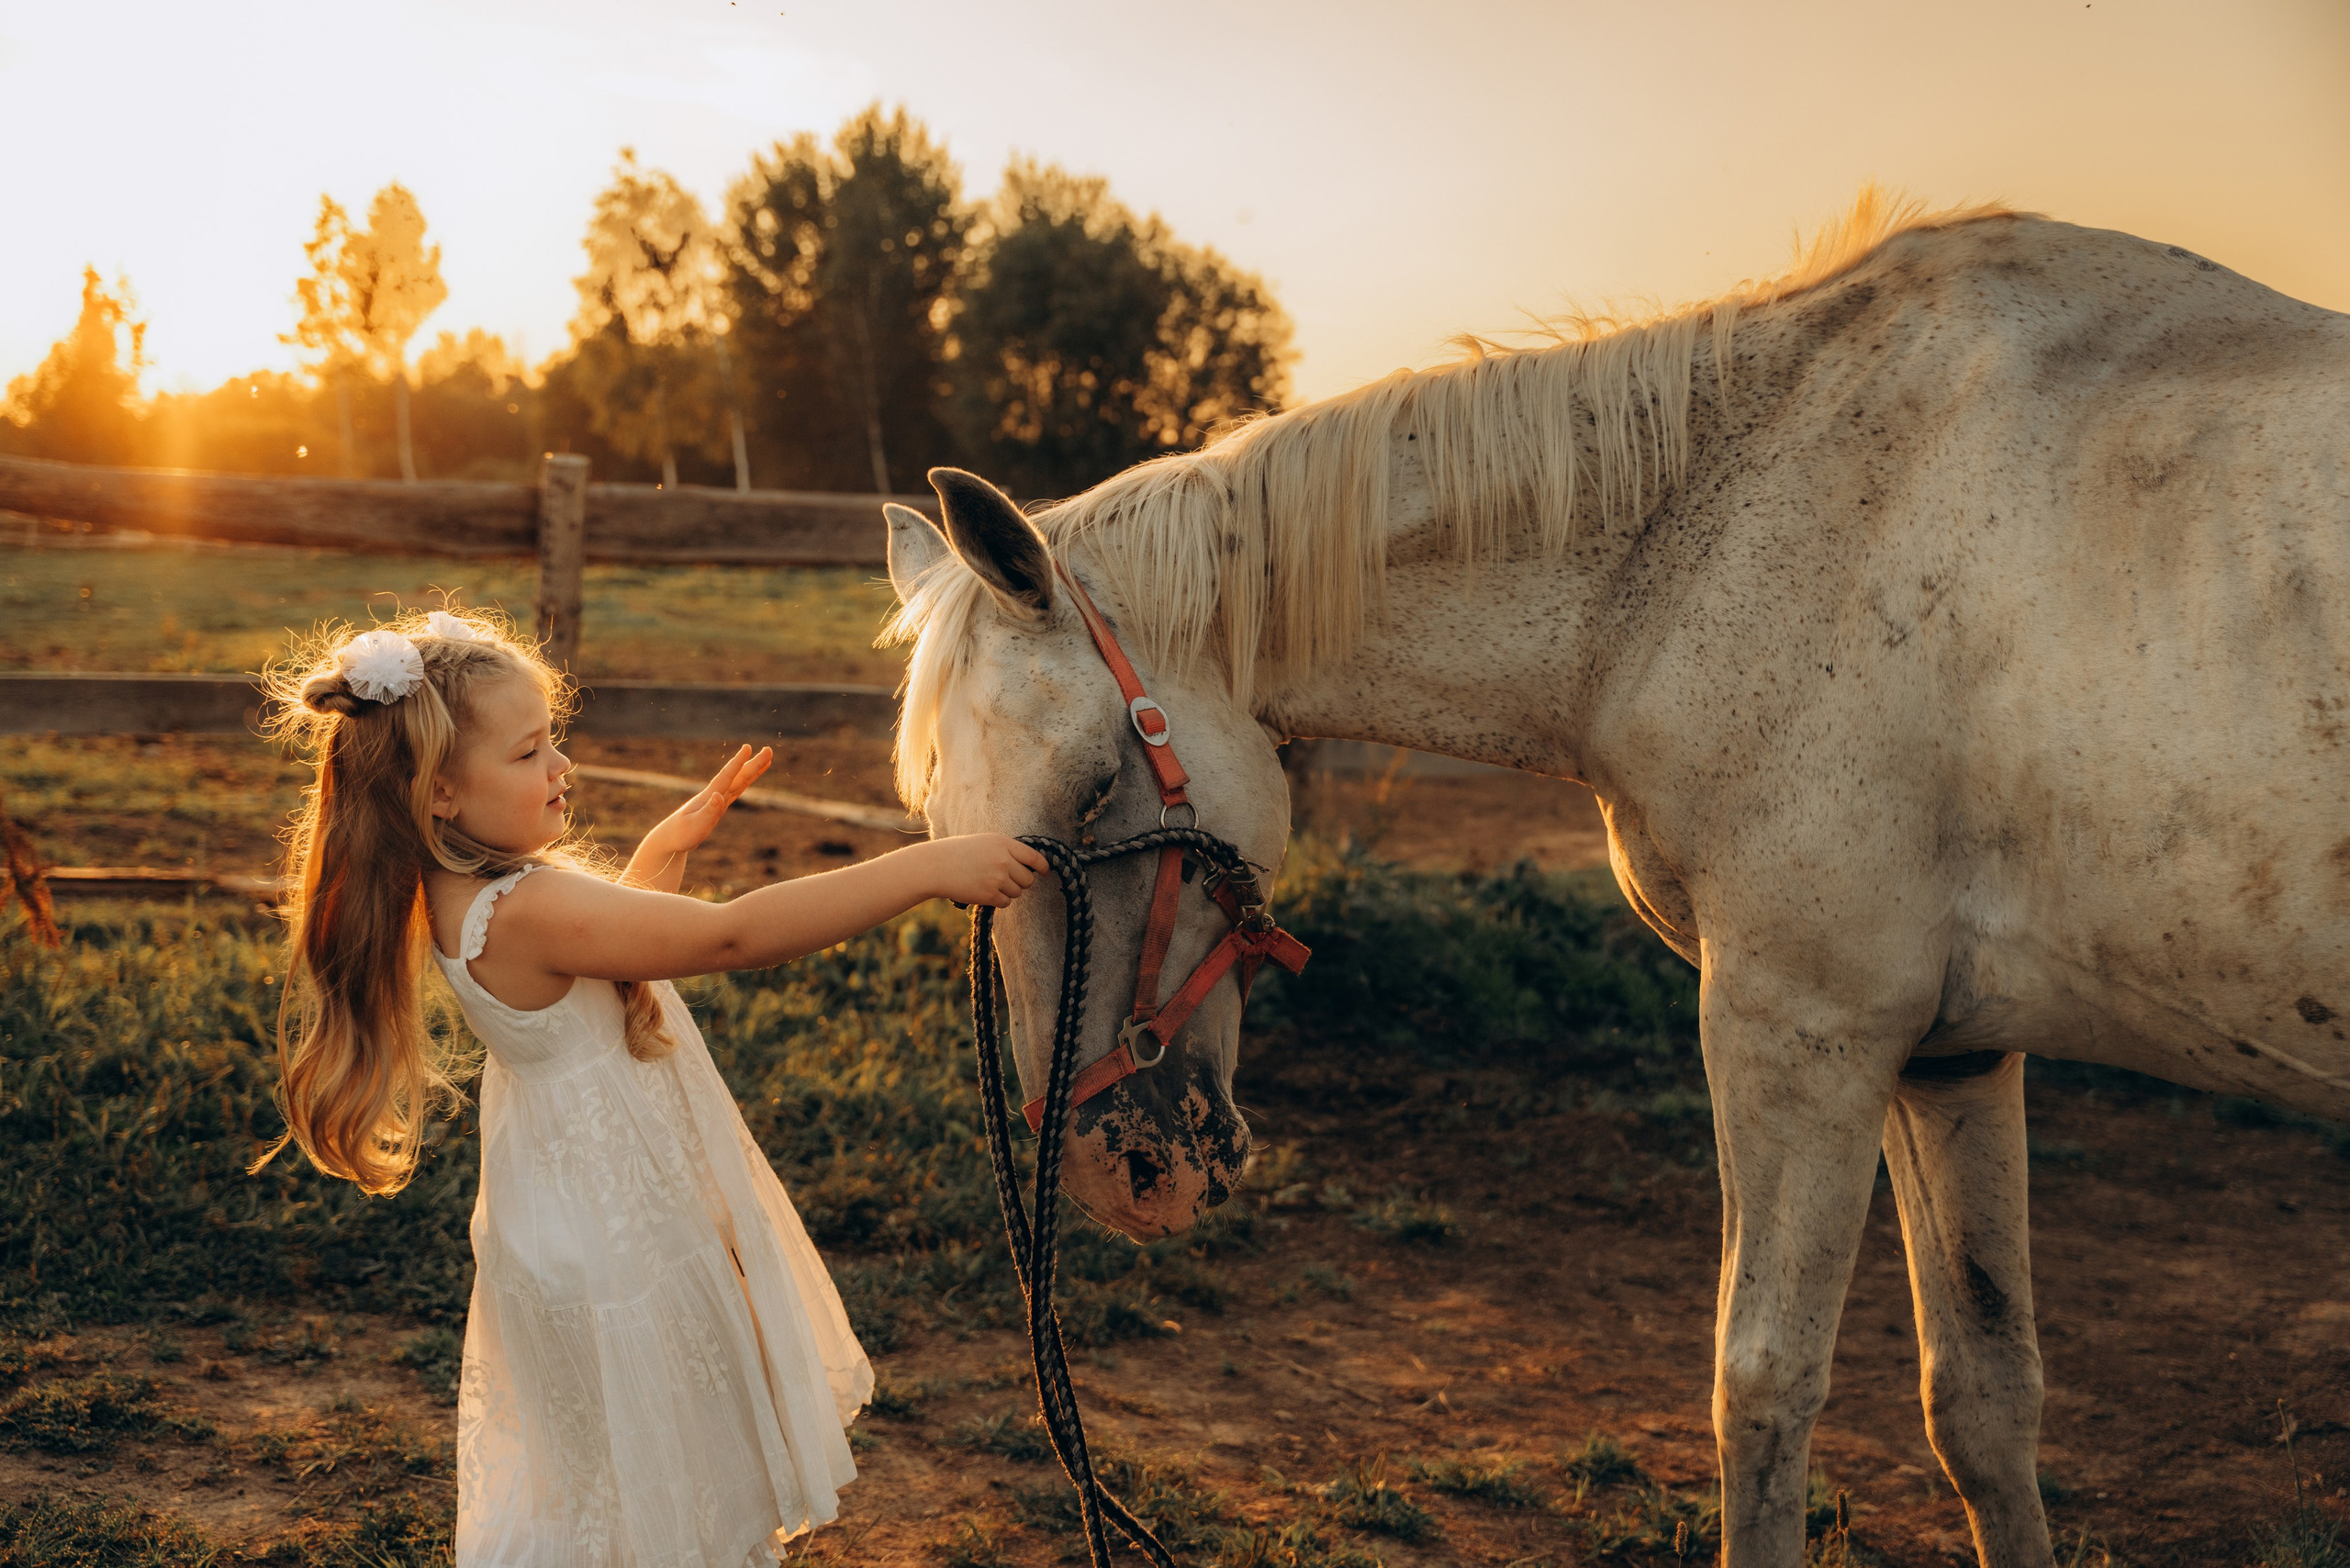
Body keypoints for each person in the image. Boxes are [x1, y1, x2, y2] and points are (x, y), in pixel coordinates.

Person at [252, 607, 1044, 1566]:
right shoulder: (525, 905)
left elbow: (595, 960)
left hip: (562, 1216)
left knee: (608, 1465)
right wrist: (927, 866)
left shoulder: (471, 900)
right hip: (621, 1232)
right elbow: (728, 937)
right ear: (443, 793)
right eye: (531, 751)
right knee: (667, 1451)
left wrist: (663, 853)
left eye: (556, 743)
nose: (562, 768)